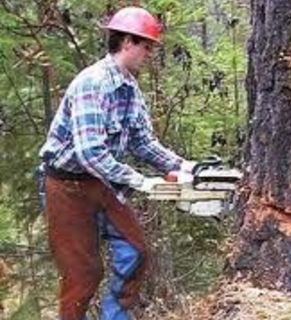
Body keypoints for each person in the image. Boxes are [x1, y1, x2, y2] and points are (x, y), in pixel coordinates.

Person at [38, 6, 195, 320]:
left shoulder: (129, 88)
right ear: (127, 42)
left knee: (136, 250)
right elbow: (90, 153)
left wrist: (183, 167)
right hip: (65, 186)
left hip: (101, 181)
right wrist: (141, 181)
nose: (150, 53)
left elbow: (142, 141)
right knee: (82, 273)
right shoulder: (92, 84)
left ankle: (116, 316)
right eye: (147, 46)